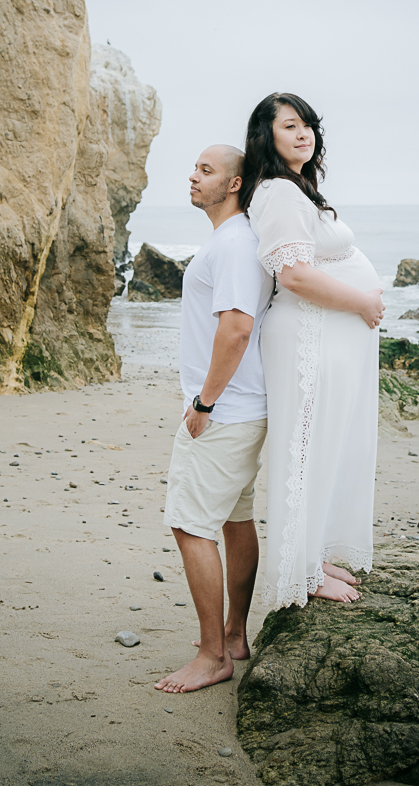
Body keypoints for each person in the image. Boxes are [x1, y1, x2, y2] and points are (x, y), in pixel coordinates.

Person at [240, 93, 385, 610]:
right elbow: (295, 275)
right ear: (267, 136)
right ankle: (300, 572)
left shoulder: (295, 188)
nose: (304, 134)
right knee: (304, 451)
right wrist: (364, 302)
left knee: (322, 446)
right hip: (306, 337)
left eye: (309, 126)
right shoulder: (278, 192)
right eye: (290, 125)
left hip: (322, 336)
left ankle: (312, 555)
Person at [155, 145, 272, 693]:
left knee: (189, 523)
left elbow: (237, 328)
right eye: (195, 168)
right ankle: (234, 636)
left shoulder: (235, 242)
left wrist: (203, 404)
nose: (193, 176)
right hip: (243, 408)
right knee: (234, 518)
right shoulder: (234, 239)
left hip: (224, 413)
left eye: (205, 170)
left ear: (234, 182)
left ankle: (211, 656)